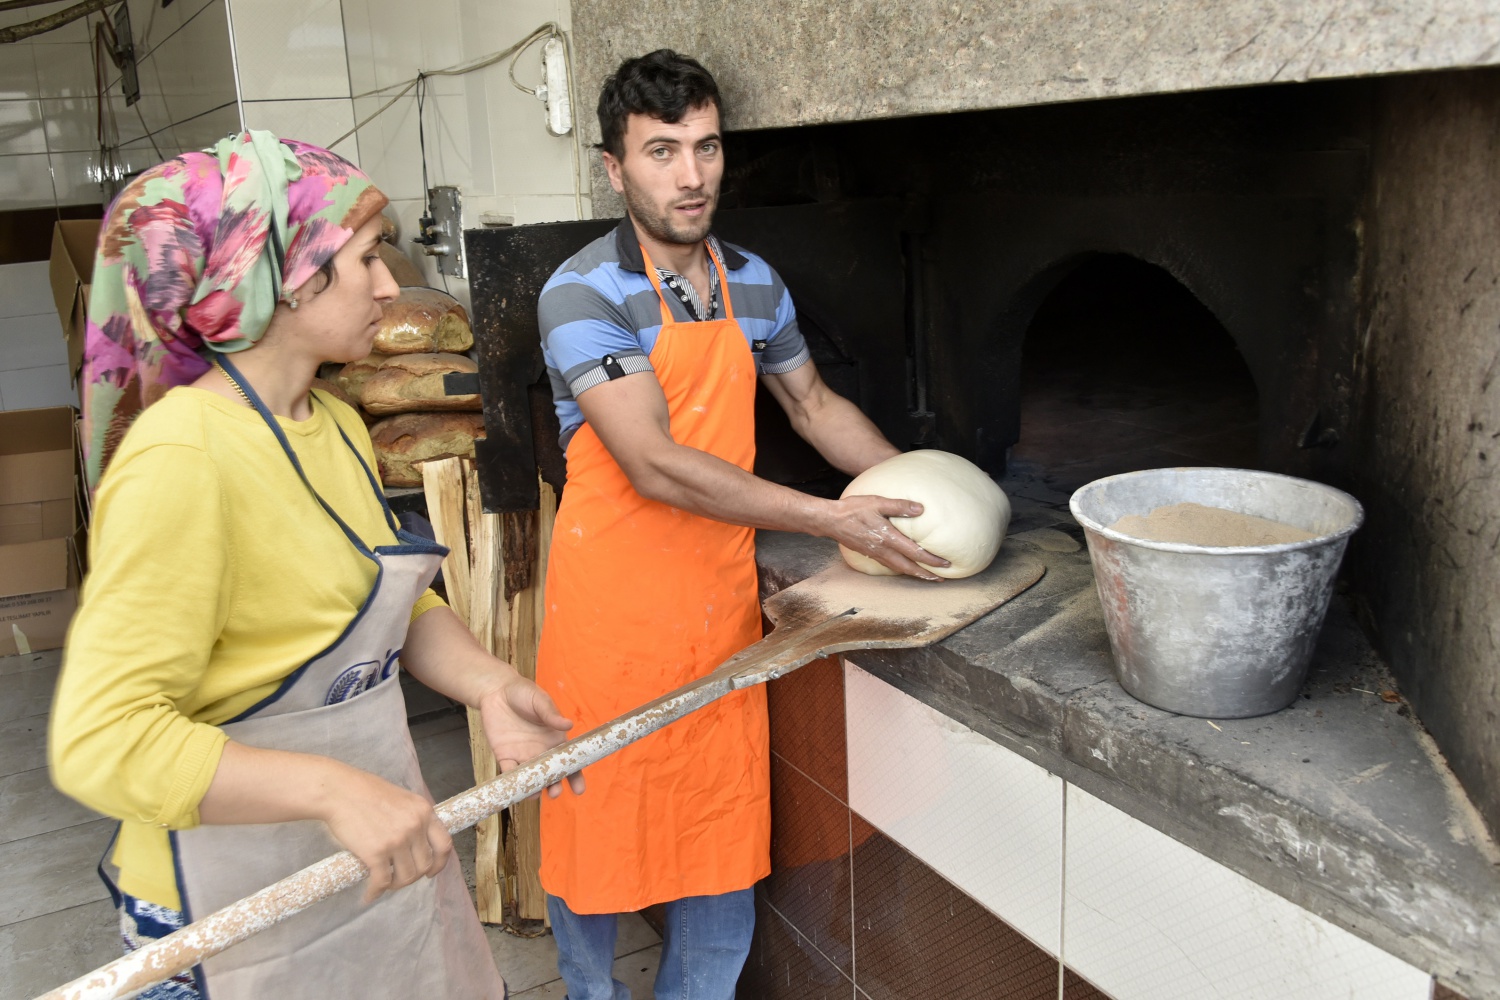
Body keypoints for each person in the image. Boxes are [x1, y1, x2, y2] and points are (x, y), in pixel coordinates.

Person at [50, 132, 579, 1000]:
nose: (388, 285)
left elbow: (391, 603)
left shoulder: (330, 423)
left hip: (357, 868)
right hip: (225, 906)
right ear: (274, 276)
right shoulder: (183, 456)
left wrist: (489, 685)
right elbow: (102, 740)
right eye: (367, 258)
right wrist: (334, 791)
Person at [535, 50, 946, 1000]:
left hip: (716, 606)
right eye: (662, 151)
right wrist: (830, 515)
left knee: (716, 831)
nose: (691, 176)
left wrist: (920, 493)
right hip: (612, 617)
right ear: (613, 169)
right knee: (597, 825)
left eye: (707, 147)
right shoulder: (581, 293)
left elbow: (812, 406)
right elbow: (653, 461)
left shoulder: (755, 280)